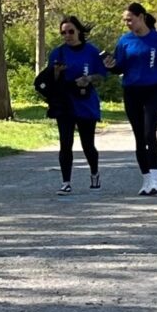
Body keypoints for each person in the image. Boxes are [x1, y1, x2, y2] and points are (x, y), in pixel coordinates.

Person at [103, 2, 157, 196]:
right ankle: (145, 179)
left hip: (154, 90)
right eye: (125, 20)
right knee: (138, 136)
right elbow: (120, 68)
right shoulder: (124, 41)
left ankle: (155, 178)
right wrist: (110, 66)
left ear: (141, 17)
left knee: (149, 133)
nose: (127, 23)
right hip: (131, 90)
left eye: (130, 19)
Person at [46, 16, 108, 195]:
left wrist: (88, 79)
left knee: (87, 144)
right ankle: (66, 182)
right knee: (65, 143)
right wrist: (56, 73)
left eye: (71, 31)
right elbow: (50, 80)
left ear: (79, 31)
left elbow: (102, 75)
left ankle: (94, 173)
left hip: (86, 101)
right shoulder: (57, 53)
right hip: (64, 103)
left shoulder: (91, 51)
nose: (67, 35)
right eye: (63, 32)